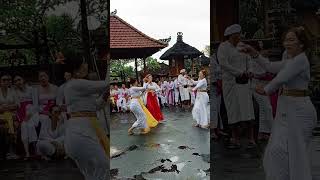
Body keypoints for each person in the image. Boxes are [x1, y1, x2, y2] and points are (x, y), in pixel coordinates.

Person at [241, 26, 317, 180]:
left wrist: (266, 89)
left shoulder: (301, 59)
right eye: (285, 40)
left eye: (291, 40)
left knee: (296, 154)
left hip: (300, 111)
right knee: (276, 149)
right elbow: (271, 67)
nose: (287, 43)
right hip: (286, 110)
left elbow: (282, 78)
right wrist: (255, 54)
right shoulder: (288, 58)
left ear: (301, 44)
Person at [63, 54, 109, 180]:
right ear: (77, 67)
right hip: (80, 133)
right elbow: (105, 84)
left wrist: (105, 96)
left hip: (84, 130)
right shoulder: (74, 84)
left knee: (93, 172)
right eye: (84, 62)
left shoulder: (77, 85)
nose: (86, 65)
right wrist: (109, 64)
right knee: (103, 166)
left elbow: (95, 106)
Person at [217, 24, 256, 149]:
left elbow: (249, 60)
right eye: (237, 35)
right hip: (230, 83)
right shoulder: (223, 47)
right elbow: (224, 64)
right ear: (231, 36)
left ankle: (251, 137)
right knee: (233, 110)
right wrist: (239, 73)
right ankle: (235, 137)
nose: (239, 37)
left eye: (239, 35)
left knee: (247, 109)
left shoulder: (242, 46)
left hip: (244, 83)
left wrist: (249, 70)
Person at [13, 75, 38, 159]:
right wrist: (20, 118)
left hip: (33, 113)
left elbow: (36, 104)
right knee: (24, 126)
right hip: (23, 114)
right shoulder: (15, 93)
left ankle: (35, 150)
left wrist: (30, 114)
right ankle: (27, 153)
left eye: (19, 80)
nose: (18, 82)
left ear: (23, 80)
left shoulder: (32, 89)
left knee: (30, 125)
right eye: (15, 81)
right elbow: (18, 107)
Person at [0, 73, 19, 159]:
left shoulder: (13, 91)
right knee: (10, 123)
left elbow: (17, 105)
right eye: (4, 80)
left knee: (10, 122)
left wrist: (6, 107)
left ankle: (9, 151)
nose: (6, 81)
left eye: (7, 80)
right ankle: (10, 151)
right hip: (1, 116)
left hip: (11, 115)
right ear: (0, 82)